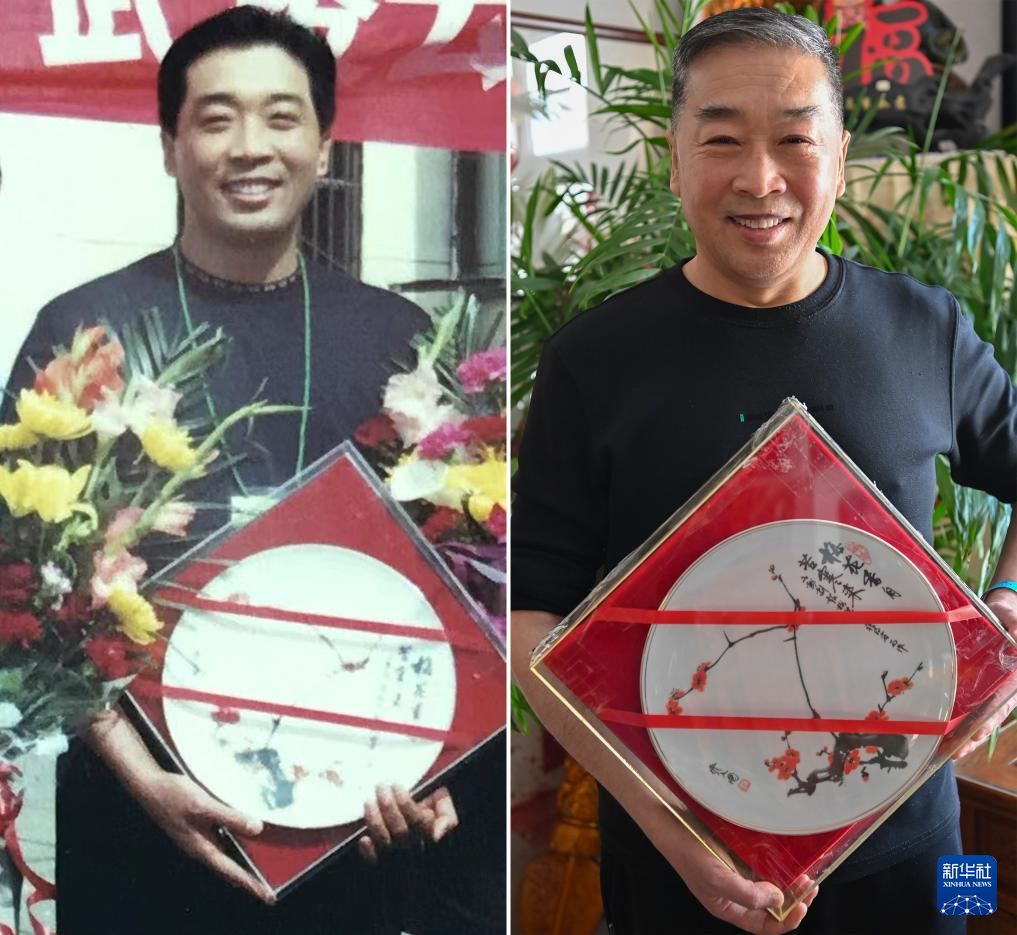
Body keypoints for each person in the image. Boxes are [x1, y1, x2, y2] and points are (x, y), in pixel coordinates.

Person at [512, 8, 1017, 935]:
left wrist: (1010, 604)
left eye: (793, 138)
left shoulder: (927, 329)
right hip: (674, 859)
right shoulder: (592, 359)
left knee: (970, 916)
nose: (759, 179)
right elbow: (532, 616)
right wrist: (668, 832)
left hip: (922, 846)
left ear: (839, 156)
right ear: (674, 159)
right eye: (721, 140)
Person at [4, 8, 504, 934]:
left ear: (324, 144)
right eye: (215, 118)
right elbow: (21, 582)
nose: (249, 147)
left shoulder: (404, 342)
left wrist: (441, 765)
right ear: (170, 146)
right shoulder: (83, 332)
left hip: (349, 814)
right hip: (136, 822)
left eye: (281, 117)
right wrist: (139, 776)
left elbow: (474, 582)